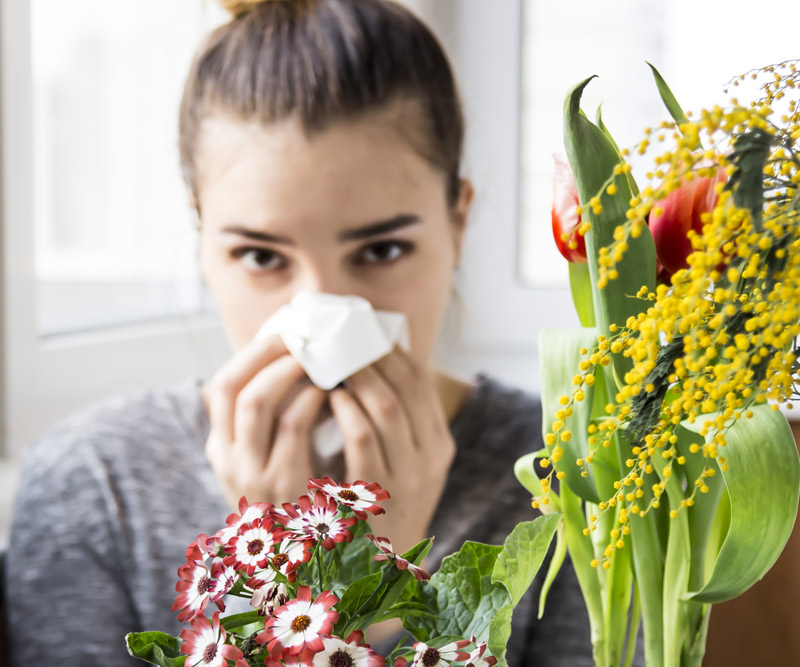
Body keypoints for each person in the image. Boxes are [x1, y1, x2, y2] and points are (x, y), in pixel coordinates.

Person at [5, 1, 614, 665]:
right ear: (203, 236)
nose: (321, 315)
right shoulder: (94, 488)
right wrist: (287, 589)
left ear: (457, 222)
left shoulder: (574, 479)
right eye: (262, 257)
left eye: (381, 250)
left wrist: (385, 589)